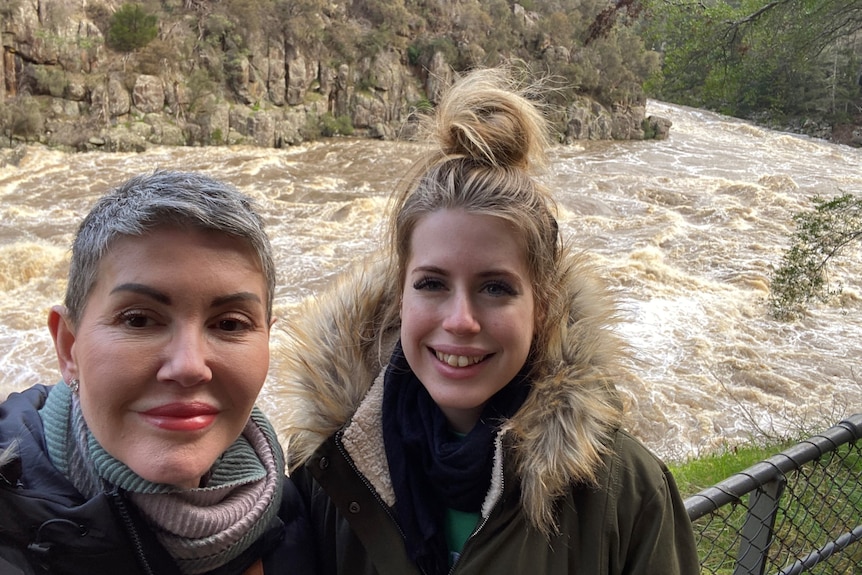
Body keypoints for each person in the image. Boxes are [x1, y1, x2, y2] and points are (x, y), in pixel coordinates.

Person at [280, 67, 701, 574]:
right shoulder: (329, 465)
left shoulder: (626, 493)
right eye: (432, 284)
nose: (460, 321)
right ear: (399, 298)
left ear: (541, 307)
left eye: (496, 288)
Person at [0, 171, 316, 575]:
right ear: (69, 347)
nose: (188, 366)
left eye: (230, 324)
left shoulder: (301, 508)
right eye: (138, 320)